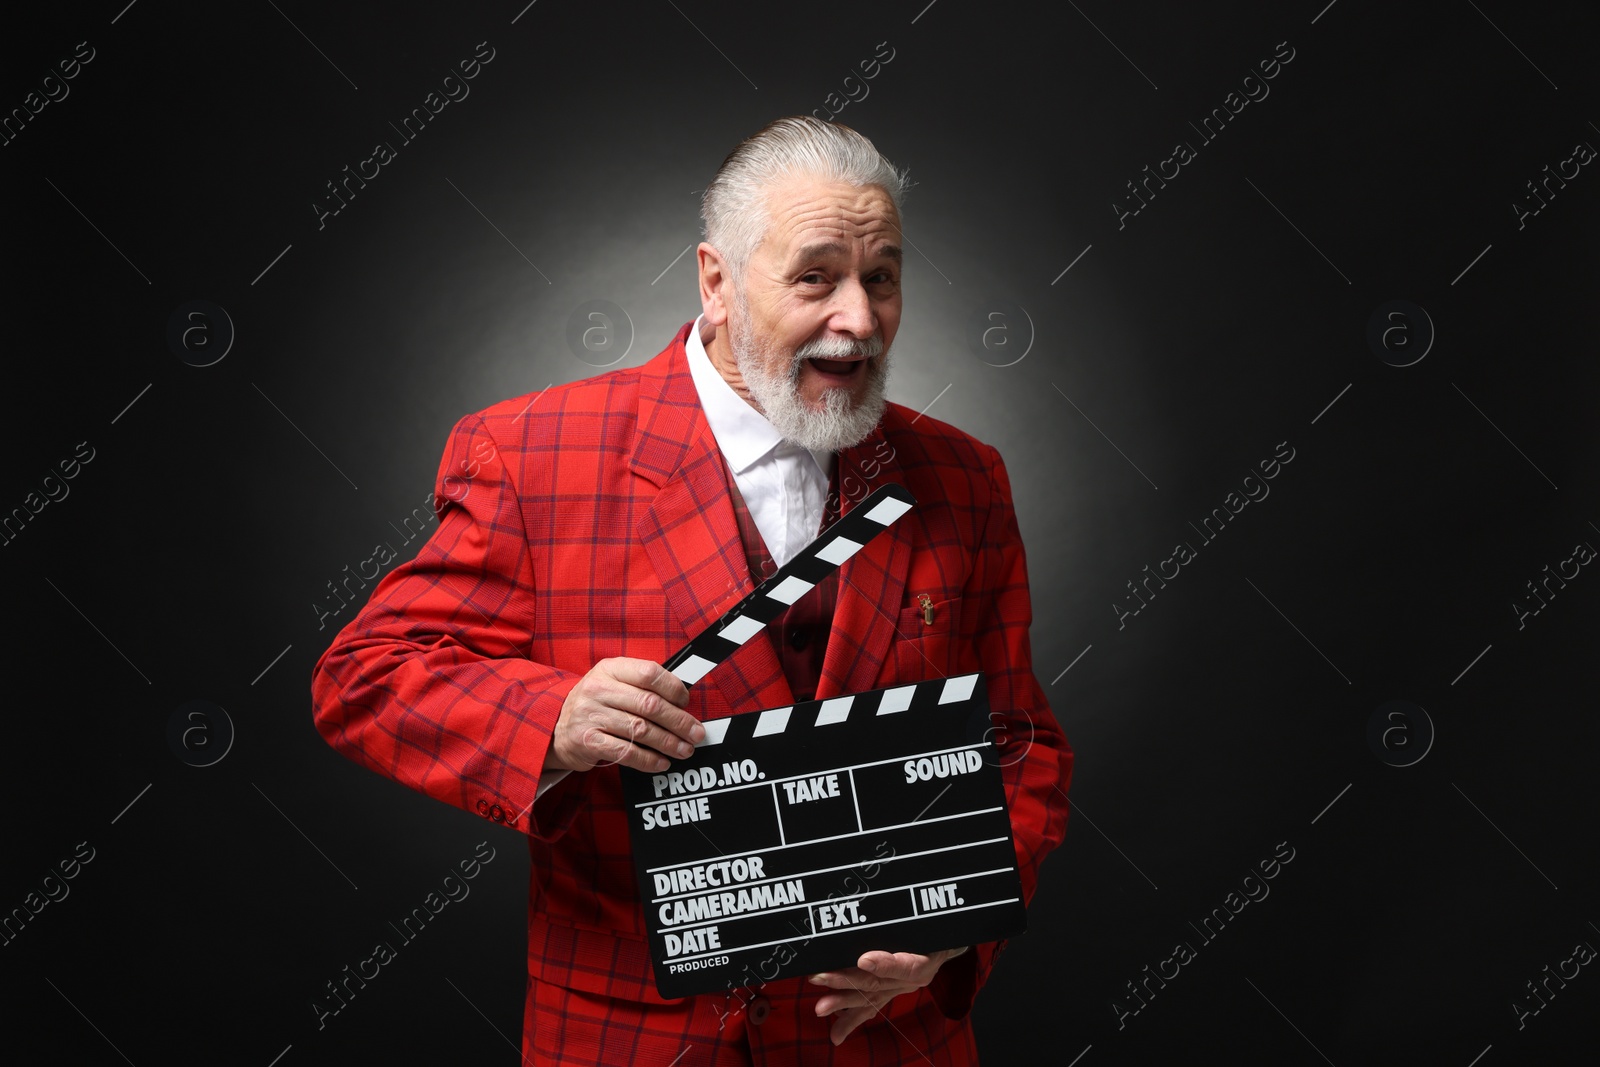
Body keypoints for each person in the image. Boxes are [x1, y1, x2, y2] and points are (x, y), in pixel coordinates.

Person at [311, 115, 1073, 1065]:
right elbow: (364, 676)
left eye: (881, 277)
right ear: (716, 281)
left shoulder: (962, 477)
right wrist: (552, 718)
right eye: (815, 276)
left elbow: (1018, 742)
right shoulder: (532, 456)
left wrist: (958, 918)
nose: (861, 318)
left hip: (886, 1040)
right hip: (629, 1037)